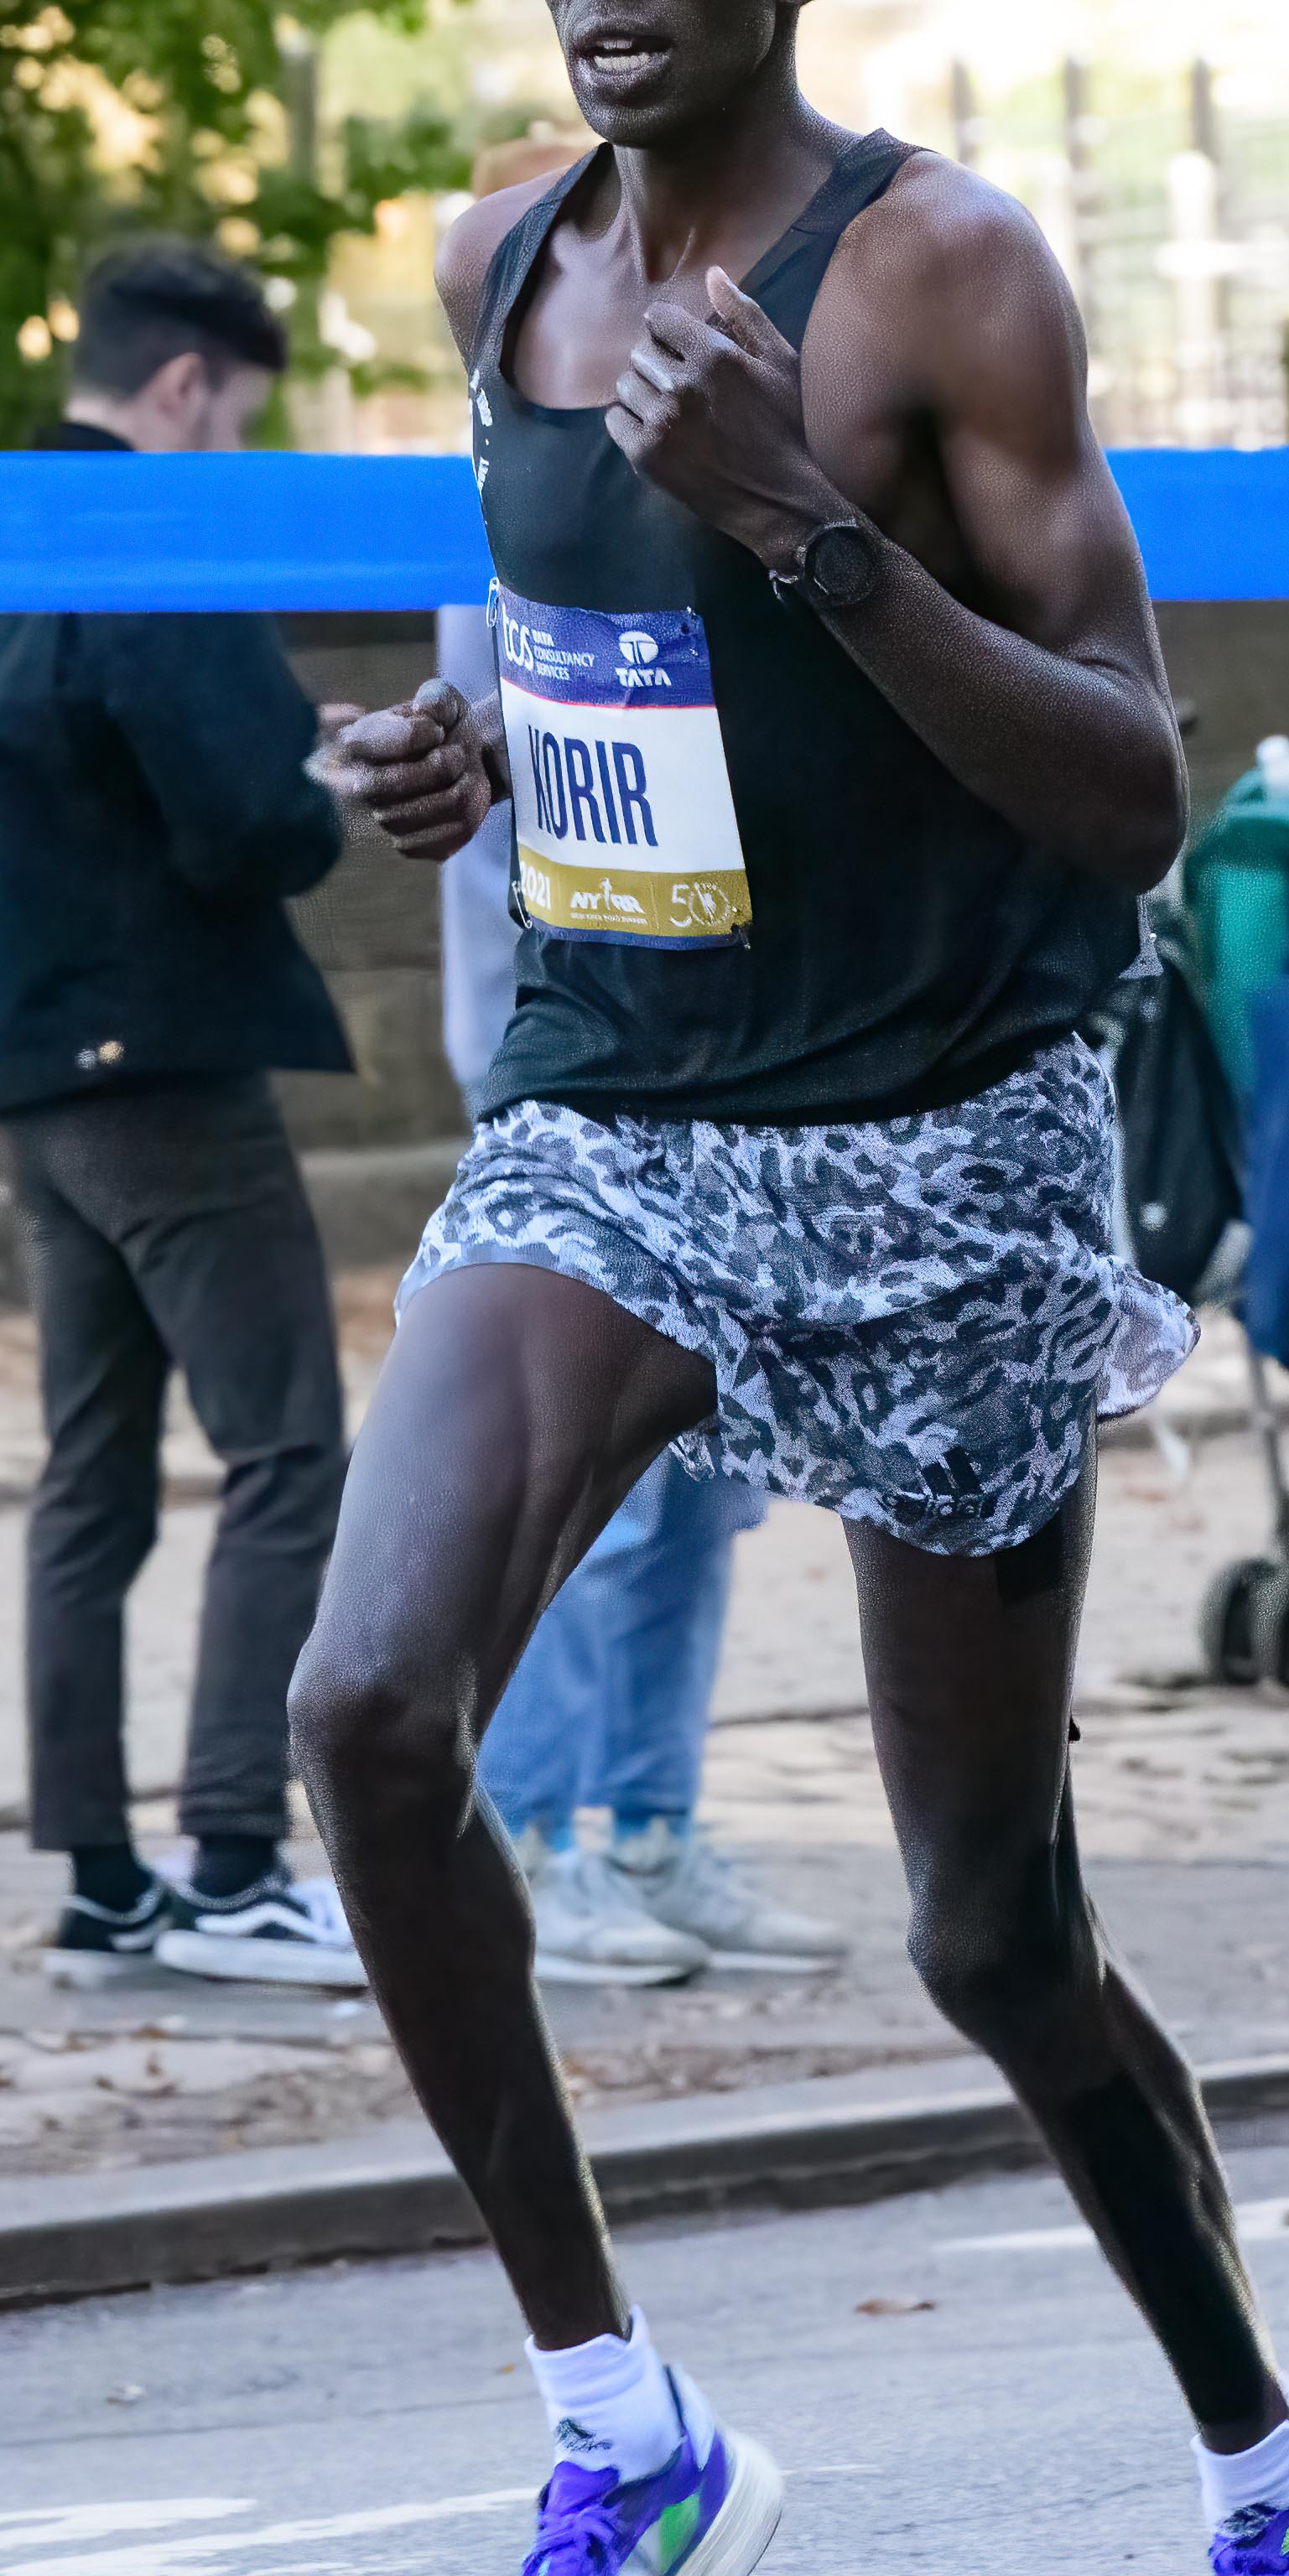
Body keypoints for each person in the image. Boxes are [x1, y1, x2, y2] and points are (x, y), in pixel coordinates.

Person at [309, 0, 1289, 2576]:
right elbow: (591, 667)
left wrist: (806, 521)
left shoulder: (941, 277)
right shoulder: (502, 260)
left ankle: (1287, 2494)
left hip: (946, 1141)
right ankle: (614, 2437)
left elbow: (1129, 781)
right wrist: (462, 756)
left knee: (988, 1929)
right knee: (370, 1711)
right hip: (626, 1113)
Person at [0, 239, 366, 1992]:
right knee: (290, 1453)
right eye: (235, 423)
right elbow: (248, 822)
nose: (233, 457)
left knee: (90, 1477)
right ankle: (232, 1859)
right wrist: (321, 776)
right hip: (162, 1066)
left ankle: (96, 1871)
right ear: (180, 387)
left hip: (19, 1065)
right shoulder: (143, 537)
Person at [429, 593, 850, 1987]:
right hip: (588, 1081)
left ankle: (649, 1825)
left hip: (744, 1074)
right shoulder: (524, 549)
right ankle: (539, 1841)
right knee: (588, 1488)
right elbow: (496, 822)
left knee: (702, 1490)